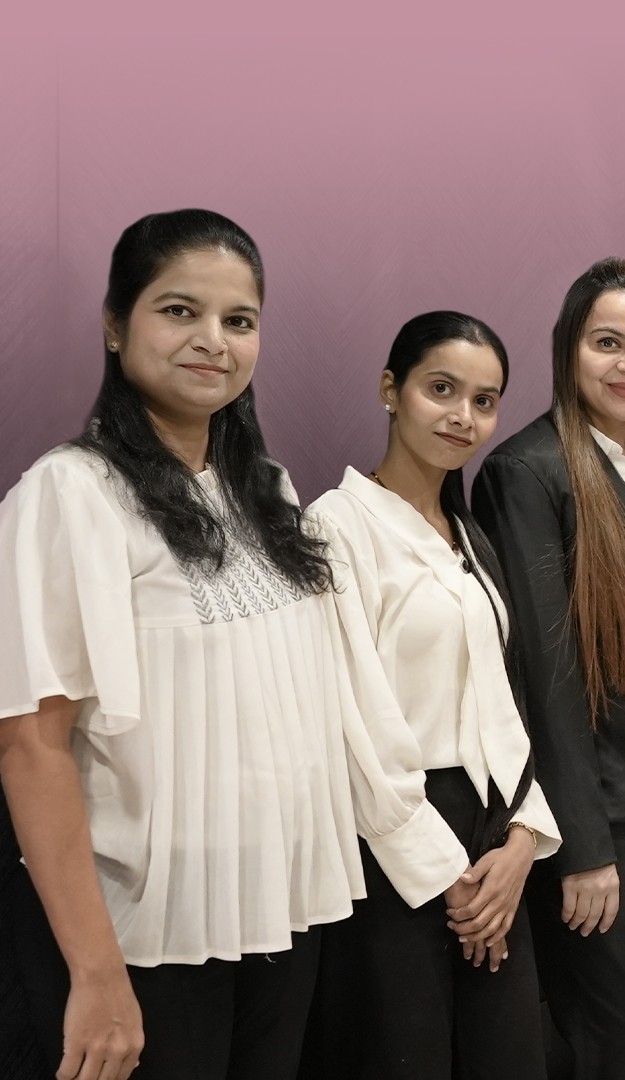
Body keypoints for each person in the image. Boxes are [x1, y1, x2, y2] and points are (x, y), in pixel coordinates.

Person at [0, 209, 368, 1080]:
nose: (212, 341)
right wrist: (96, 976)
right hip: (146, 938)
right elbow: (30, 744)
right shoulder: (69, 495)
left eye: (237, 321)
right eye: (178, 311)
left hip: (280, 917)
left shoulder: (267, 495)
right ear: (115, 322)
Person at [472, 259, 625, 1079]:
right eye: (608, 342)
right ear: (568, 349)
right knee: (623, 1043)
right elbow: (543, 675)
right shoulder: (529, 471)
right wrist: (580, 846)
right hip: (602, 815)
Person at [302, 311, 562, 1079]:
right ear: (392, 389)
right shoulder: (335, 525)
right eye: (441, 389)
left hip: (492, 829)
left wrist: (521, 842)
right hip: (395, 843)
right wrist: (445, 875)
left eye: (485, 400)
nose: (463, 416)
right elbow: (355, 719)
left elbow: (500, 701)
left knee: (507, 1054)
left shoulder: (469, 535)